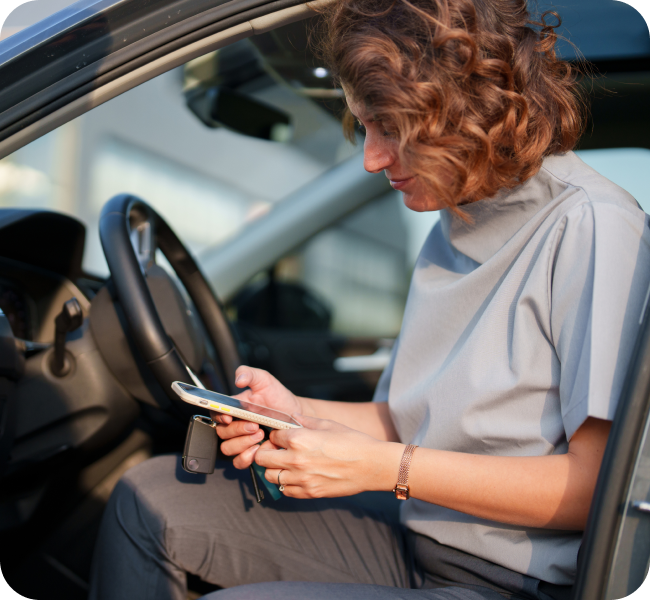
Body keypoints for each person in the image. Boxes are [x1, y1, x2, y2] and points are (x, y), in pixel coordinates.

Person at [89, 1, 650, 599]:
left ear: (460, 114)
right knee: (148, 500)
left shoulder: (594, 228)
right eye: (364, 126)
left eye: (391, 129)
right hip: (418, 539)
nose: (372, 158)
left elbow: (597, 490)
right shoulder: (452, 221)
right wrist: (296, 414)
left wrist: (389, 471)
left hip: (510, 581)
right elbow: (401, 422)